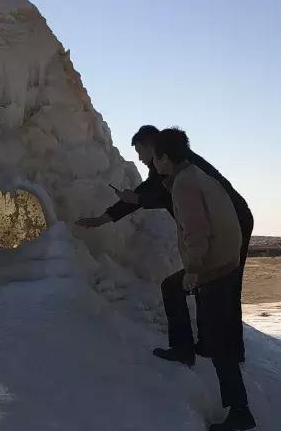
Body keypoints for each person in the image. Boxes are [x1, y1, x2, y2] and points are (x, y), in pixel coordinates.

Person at [76, 125, 254, 367]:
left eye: (140, 152)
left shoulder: (183, 173)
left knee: (223, 285)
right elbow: (147, 194)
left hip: (232, 225)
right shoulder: (171, 167)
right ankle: (210, 346)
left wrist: (194, 266)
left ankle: (225, 351)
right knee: (208, 284)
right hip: (222, 226)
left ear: (154, 148)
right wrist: (104, 218)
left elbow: (166, 201)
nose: (139, 158)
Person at [151, 129, 255, 431]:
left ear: (165, 158)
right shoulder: (195, 174)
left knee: (217, 340)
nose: (153, 164)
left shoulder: (185, 184)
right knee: (173, 289)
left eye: (155, 157)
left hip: (213, 268)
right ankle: (184, 348)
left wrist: (194, 271)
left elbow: (197, 233)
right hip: (224, 262)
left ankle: (240, 410)